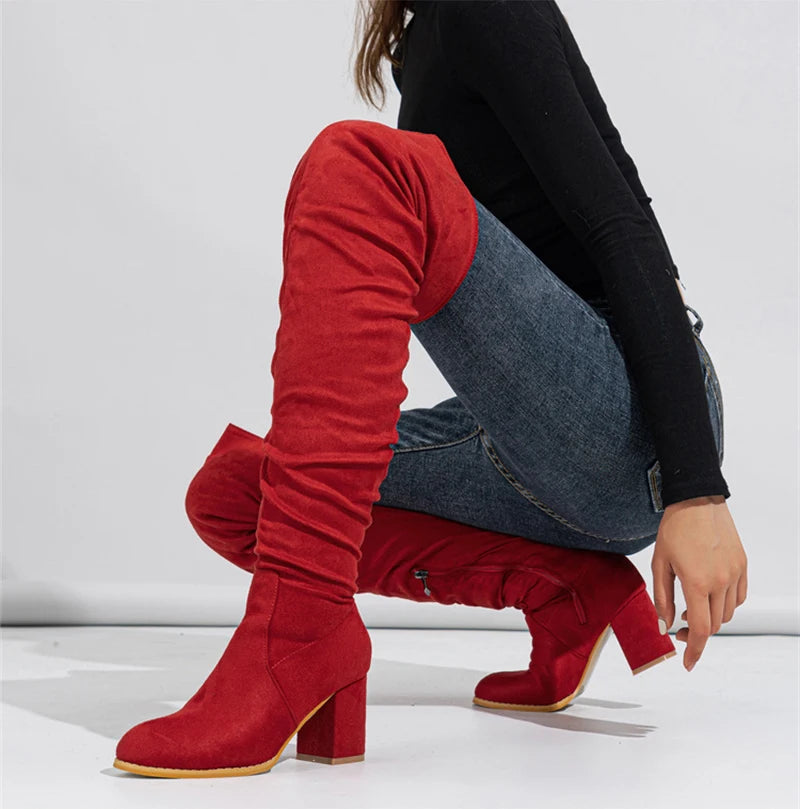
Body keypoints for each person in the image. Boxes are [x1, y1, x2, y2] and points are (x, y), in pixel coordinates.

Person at [111, 0, 748, 779]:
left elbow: (622, 223)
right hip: (529, 444)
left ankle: (301, 631)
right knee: (239, 494)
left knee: (361, 165)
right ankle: (567, 590)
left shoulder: (487, 7)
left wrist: (695, 486)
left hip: (629, 417)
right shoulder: (421, 41)